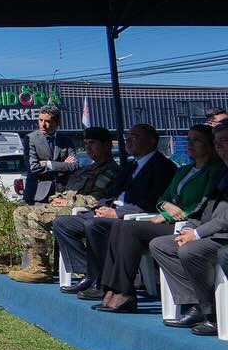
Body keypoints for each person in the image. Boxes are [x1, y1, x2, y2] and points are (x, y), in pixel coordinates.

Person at [92, 124, 220, 313]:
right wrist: (166, 206)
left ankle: (124, 292)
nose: (190, 144)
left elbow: (205, 202)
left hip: (187, 224)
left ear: (210, 145)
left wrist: (169, 213)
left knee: (127, 228)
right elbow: (162, 198)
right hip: (168, 219)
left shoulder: (215, 171)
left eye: (197, 140)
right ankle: (113, 289)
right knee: (120, 226)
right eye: (189, 139)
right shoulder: (183, 170)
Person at [54, 123, 177, 299]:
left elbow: (153, 202)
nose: (128, 141)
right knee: (63, 223)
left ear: (151, 142)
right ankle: (87, 272)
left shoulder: (163, 167)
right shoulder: (130, 166)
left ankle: (101, 280)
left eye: (134, 137)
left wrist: (118, 214)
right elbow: (114, 195)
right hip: (111, 211)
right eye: (127, 137)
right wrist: (100, 207)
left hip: (133, 218)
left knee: (94, 225)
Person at [6, 126, 121, 284]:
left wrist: (68, 202)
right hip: (66, 206)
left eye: (92, 143)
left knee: (36, 216)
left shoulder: (112, 171)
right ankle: (35, 263)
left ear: (107, 145)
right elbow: (67, 187)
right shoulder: (87, 169)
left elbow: (97, 200)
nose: (88, 148)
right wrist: (58, 198)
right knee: (20, 212)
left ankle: (41, 269)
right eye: (86, 144)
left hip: (84, 211)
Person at [150, 123, 228, 336]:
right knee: (162, 245)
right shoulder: (223, 172)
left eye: (226, 141)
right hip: (209, 230)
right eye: (218, 142)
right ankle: (194, 302)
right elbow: (204, 209)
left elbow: (225, 218)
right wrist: (190, 228)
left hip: (222, 236)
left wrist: (196, 234)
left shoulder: (216, 171)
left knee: (189, 251)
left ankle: (212, 315)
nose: (221, 147)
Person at [24, 105, 78, 204]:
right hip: (38, 195)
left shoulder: (66, 140)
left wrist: (49, 164)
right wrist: (63, 166)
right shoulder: (30, 139)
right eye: (40, 120)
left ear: (57, 123)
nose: (43, 125)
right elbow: (34, 167)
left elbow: (74, 166)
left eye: (47, 121)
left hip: (63, 193)